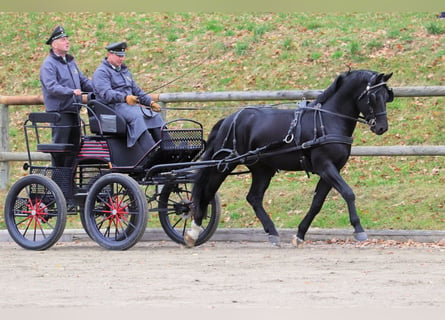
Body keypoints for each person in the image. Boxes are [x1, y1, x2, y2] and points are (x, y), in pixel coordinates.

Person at [92, 41, 164, 150]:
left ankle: (167, 146)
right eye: (118, 56)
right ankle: (150, 151)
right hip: (112, 107)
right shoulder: (101, 72)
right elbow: (106, 93)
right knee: (138, 117)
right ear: (109, 55)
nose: (121, 59)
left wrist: (150, 102)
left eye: (123, 56)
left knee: (154, 115)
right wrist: (124, 98)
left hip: (129, 107)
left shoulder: (124, 71)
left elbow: (137, 91)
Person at [40, 25, 93, 167]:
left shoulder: (70, 62)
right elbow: (51, 86)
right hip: (59, 113)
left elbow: (83, 82)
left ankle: (69, 183)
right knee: (60, 149)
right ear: (54, 44)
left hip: (73, 111)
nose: (67, 42)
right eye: (63, 39)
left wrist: (100, 89)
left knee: (74, 149)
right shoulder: (49, 64)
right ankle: (58, 182)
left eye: (67, 39)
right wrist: (70, 91)